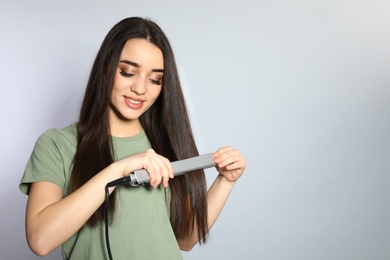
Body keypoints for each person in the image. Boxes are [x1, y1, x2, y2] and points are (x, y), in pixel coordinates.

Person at [19, 17, 246, 260]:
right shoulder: (57, 145)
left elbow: (185, 239)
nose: (141, 88)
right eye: (128, 72)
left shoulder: (167, 144)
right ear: (106, 68)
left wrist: (225, 181)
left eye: (155, 79)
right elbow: (40, 239)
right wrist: (119, 169)